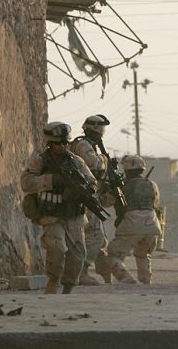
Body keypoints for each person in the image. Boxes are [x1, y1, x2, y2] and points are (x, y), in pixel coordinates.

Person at [21, 122, 95, 294]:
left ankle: (68, 287)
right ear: (49, 143)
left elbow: (91, 182)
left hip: (73, 215)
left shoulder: (76, 162)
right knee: (56, 249)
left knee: (77, 255)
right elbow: (26, 183)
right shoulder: (40, 162)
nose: (62, 146)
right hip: (51, 214)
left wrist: (82, 190)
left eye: (65, 143)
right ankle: (53, 282)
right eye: (58, 143)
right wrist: (51, 180)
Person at [70, 114, 113, 285]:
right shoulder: (83, 144)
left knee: (100, 239)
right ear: (92, 128)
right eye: (100, 129)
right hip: (83, 194)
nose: (102, 133)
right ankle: (80, 272)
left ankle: (106, 274)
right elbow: (94, 164)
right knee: (95, 235)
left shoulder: (88, 144)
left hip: (89, 193)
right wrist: (106, 160)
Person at [106, 155, 161, 284]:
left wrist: (106, 189)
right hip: (152, 225)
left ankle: (125, 278)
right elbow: (156, 204)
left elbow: (106, 202)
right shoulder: (152, 184)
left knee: (114, 255)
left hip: (131, 224)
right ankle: (146, 280)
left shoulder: (122, 186)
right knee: (143, 254)